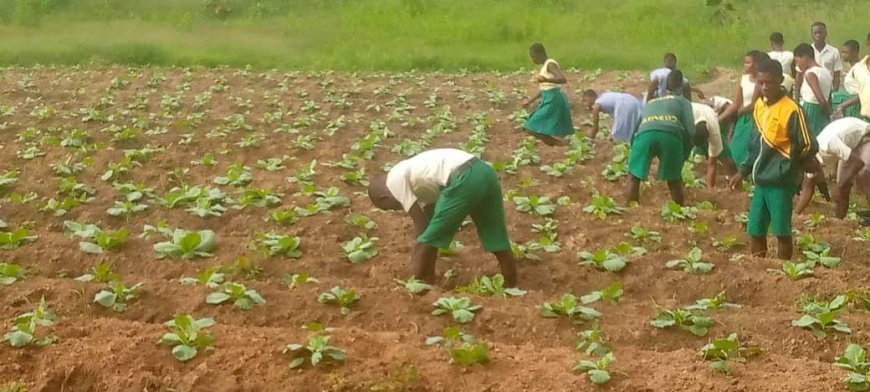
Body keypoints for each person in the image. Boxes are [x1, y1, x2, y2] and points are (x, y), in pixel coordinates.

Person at [367, 148, 518, 286]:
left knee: (427, 238)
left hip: (464, 177)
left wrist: (419, 251)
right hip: (485, 172)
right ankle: (511, 283)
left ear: (384, 197)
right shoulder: (419, 181)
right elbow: (431, 221)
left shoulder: (394, 179)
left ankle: (415, 287)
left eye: (390, 207)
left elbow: (421, 225)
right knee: (495, 232)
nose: (397, 209)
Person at [728, 59, 819, 260]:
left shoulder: (792, 109)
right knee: (755, 230)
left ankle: (783, 272)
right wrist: (742, 171)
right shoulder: (759, 106)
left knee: (781, 231)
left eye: (769, 82)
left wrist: (788, 165)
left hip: (780, 182)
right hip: (761, 181)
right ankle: (758, 270)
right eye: (761, 82)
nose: (764, 87)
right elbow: (754, 145)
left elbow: (808, 144)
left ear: (780, 80)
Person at [627, 70, 695, 205]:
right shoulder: (683, 102)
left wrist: (634, 147)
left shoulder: (652, 103)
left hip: (645, 133)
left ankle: (631, 209)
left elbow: (636, 128)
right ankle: (679, 210)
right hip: (670, 135)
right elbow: (690, 130)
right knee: (674, 179)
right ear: (682, 86)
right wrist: (684, 153)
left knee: (633, 177)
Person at [796, 117, 870, 218]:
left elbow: (857, 162)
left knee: (864, 173)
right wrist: (796, 214)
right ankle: (839, 222)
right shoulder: (810, 161)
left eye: (806, 169)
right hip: (849, 147)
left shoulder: (828, 144)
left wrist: (839, 186)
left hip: (865, 136)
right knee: (843, 188)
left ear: (810, 160)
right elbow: (808, 188)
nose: (808, 172)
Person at [719, 50, 769, 168]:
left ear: (756, 64)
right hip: (743, 119)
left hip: (755, 118)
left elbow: (754, 104)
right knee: (736, 148)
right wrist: (719, 118)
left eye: (748, 63)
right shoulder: (744, 79)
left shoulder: (761, 82)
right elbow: (736, 103)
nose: (745, 65)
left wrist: (740, 111)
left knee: (749, 147)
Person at [522, 43, 574, 146]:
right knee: (532, 127)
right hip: (549, 97)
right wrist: (530, 101)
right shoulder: (545, 66)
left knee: (531, 127)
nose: (533, 59)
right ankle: (559, 144)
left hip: (553, 99)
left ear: (539, 54)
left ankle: (559, 143)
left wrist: (545, 79)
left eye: (533, 56)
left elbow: (562, 79)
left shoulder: (550, 64)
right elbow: (545, 88)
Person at [691, 102, 738, 188]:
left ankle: (735, 183)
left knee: (727, 159)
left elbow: (712, 164)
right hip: (692, 114)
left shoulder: (714, 132)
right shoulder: (686, 118)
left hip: (710, 118)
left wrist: (710, 190)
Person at [795, 22, 844, 99]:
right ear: (812, 34)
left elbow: (837, 75)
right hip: (809, 93)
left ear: (826, 33)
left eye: (820, 33)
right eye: (815, 33)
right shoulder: (806, 52)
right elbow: (799, 75)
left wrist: (834, 93)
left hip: (827, 91)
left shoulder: (834, 52)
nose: (818, 35)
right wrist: (796, 98)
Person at [795, 43, 833, 137]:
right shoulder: (826, 72)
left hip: (811, 111)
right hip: (823, 112)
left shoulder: (810, 74)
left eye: (797, 61)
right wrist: (830, 114)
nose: (798, 65)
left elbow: (821, 100)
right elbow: (828, 97)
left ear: (805, 57)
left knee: (810, 140)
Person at [835, 33, 870, 119]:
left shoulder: (858, 69)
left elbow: (861, 94)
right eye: (842, 52)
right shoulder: (856, 69)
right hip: (855, 108)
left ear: (855, 52)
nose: (843, 55)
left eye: (846, 53)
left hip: (856, 107)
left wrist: (843, 105)